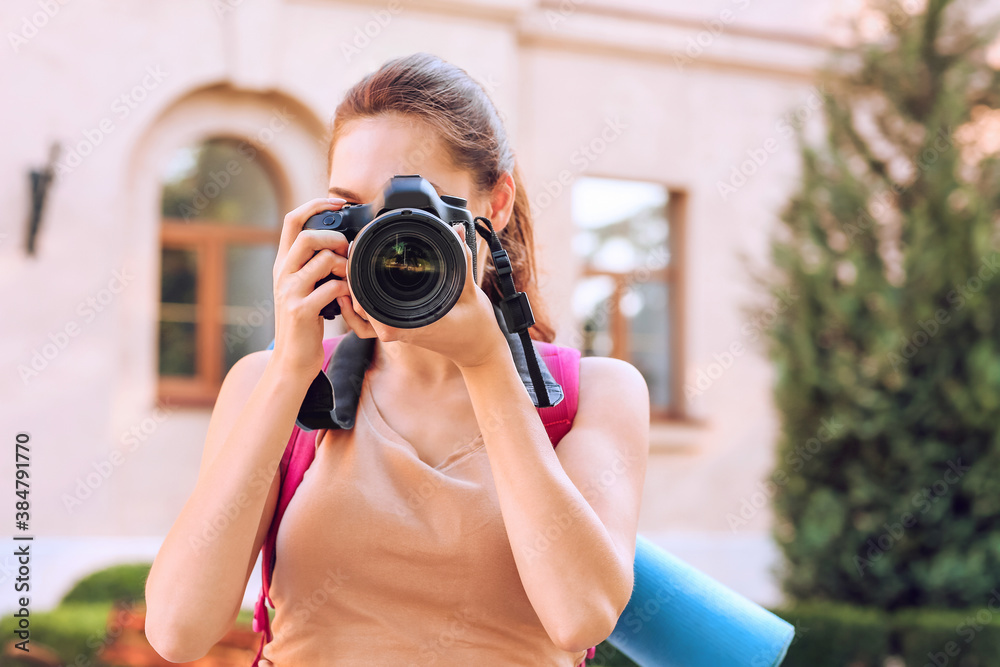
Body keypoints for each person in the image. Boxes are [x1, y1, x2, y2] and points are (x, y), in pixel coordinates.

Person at [144, 52, 650, 667]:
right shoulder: (270, 382)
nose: (389, 242)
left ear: (496, 204)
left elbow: (580, 616)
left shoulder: (592, 393)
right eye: (358, 210)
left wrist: (489, 365)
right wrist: (289, 373)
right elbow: (176, 631)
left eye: (415, 211)